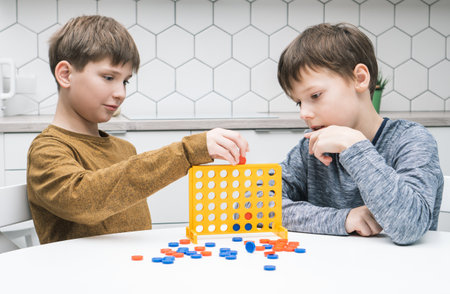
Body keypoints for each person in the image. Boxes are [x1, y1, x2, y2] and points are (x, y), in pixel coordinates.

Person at [26, 15, 249, 244]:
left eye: (125, 81)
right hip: (78, 277)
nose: (121, 93)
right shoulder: (47, 150)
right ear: (66, 74)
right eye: (109, 77)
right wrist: (187, 152)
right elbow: (81, 199)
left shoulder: (124, 149)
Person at [277, 23, 443, 245]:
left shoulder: (411, 141)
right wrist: (344, 219)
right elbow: (257, 204)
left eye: (315, 95)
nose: (304, 113)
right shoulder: (308, 150)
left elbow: (410, 226)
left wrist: (354, 147)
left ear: (360, 78)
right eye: (299, 102)